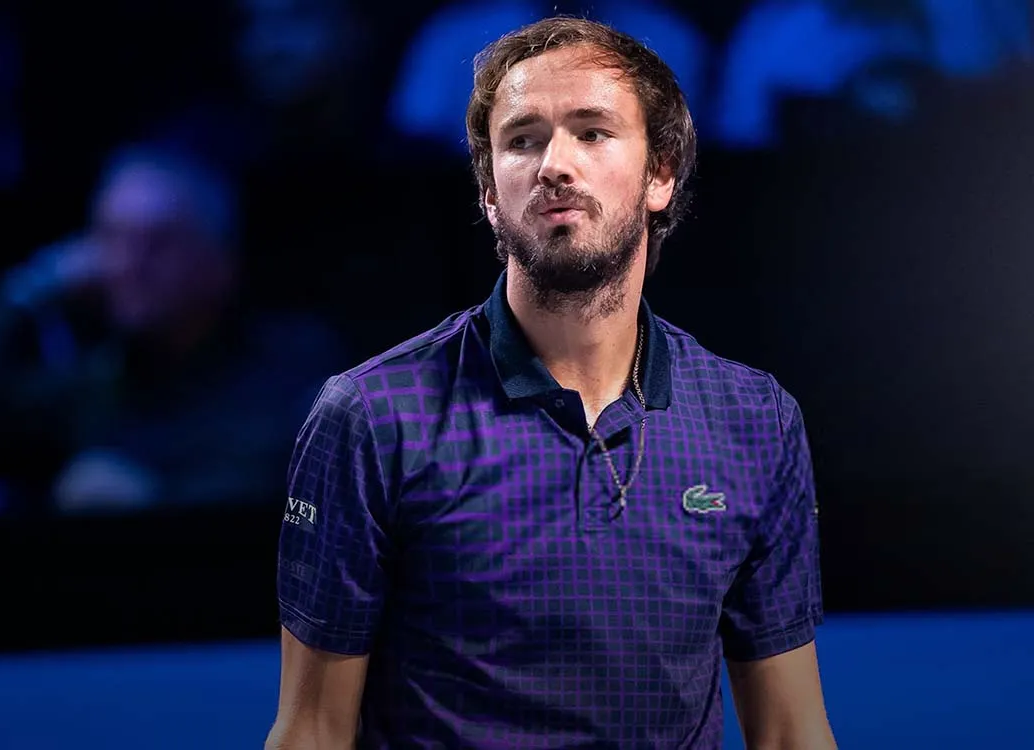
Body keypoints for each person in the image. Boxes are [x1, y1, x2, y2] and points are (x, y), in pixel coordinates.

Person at [269, 15, 836, 750]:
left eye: (593, 132)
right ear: (488, 190)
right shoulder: (374, 416)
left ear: (661, 174)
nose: (554, 165)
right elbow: (311, 733)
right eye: (523, 139)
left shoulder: (755, 419)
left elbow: (791, 731)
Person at [0, 144, 342, 512]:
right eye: (110, 240)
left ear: (219, 261)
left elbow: (294, 491)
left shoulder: (290, 361)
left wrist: (157, 498)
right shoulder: (100, 377)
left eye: (157, 244)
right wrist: (27, 291)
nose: (129, 265)